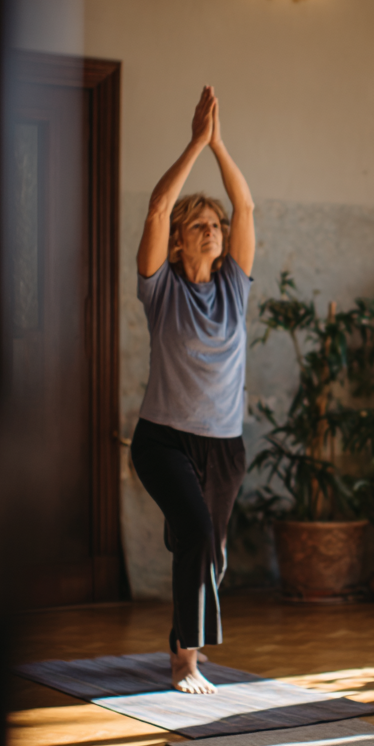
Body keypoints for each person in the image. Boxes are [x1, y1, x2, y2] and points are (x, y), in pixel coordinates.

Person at [130, 86, 255, 694]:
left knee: (210, 550)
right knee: (199, 536)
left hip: (224, 447)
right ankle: (186, 660)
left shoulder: (235, 284)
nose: (213, 230)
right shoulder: (161, 290)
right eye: (199, 226)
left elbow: (248, 210)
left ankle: (185, 638)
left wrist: (221, 145)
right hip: (164, 442)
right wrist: (194, 144)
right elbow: (156, 210)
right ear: (180, 240)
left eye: (216, 225)